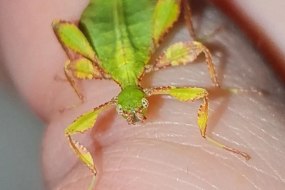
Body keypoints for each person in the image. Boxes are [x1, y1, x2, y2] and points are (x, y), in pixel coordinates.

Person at [0, 0, 284, 189]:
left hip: (128, 14)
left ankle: (214, 118)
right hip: (104, 20)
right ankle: (92, 171)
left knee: (199, 46)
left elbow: (201, 52)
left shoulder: (97, 68)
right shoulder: (99, 69)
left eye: (130, 109)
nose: (135, 114)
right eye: (132, 110)